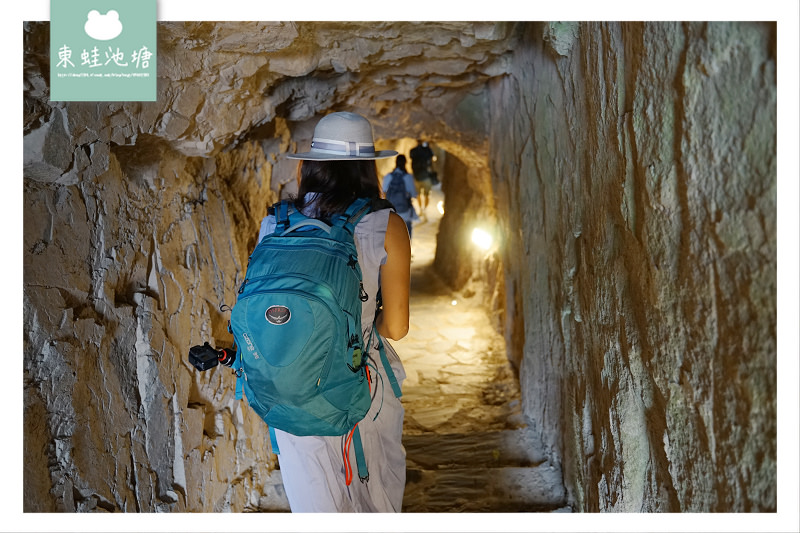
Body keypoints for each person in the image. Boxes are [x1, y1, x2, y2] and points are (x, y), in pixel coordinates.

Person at [255, 111, 410, 512]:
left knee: (313, 497)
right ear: (367, 169)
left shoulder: (275, 222)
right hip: (356, 383)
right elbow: (396, 326)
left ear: (309, 166)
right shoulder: (385, 224)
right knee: (371, 495)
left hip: (287, 384)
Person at [382, 154, 418, 239]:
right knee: (407, 233)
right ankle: (407, 250)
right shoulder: (408, 177)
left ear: (395, 162)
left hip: (391, 211)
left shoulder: (388, 176)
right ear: (405, 163)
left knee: (392, 235)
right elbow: (414, 194)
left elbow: (383, 193)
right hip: (404, 211)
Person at [409, 140, 434, 218]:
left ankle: (421, 210)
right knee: (426, 195)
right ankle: (425, 210)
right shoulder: (427, 151)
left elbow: (411, 156)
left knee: (419, 194)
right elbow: (431, 156)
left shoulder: (413, 151)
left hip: (416, 177)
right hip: (426, 176)